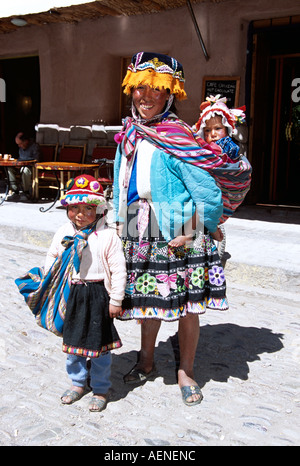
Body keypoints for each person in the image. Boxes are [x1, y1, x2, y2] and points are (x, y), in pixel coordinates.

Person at [113, 52, 249, 407]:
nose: (144, 97)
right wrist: (117, 223)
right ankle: (145, 360)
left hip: (180, 232)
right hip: (140, 227)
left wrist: (189, 232)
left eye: (154, 90)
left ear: (169, 95)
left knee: (188, 307)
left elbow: (208, 195)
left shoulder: (178, 138)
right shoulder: (130, 135)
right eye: (139, 89)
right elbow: (121, 183)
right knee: (147, 302)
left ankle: (186, 370)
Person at [16, 174, 127, 412]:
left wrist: (116, 300)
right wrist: (48, 281)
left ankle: (100, 387)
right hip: (71, 294)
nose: (80, 213)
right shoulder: (63, 233)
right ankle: (77, 382)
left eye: (88, 208)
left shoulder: (107, 236)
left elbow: (118, 270)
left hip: (98, 295)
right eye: (74, 207)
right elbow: (53, 257)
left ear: (99, 210)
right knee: (72, 344)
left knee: (100, 347)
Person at [194, 94, 247, 161]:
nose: (213, 134)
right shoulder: (201, 147)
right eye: (207, 130)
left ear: (227, 129)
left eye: (218, 128)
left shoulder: (228, 147)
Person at [8, 131, 41, 199]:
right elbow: (20, 158)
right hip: (20, 166)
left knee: (25, 170)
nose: (19, 146)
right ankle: (15, 190)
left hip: (31, 167)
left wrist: (24, 162)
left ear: (26, 141)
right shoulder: (21, 148)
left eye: (20, 144)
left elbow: (36, 159)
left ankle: (26, 192)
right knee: (9, 168)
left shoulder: (34, 146)